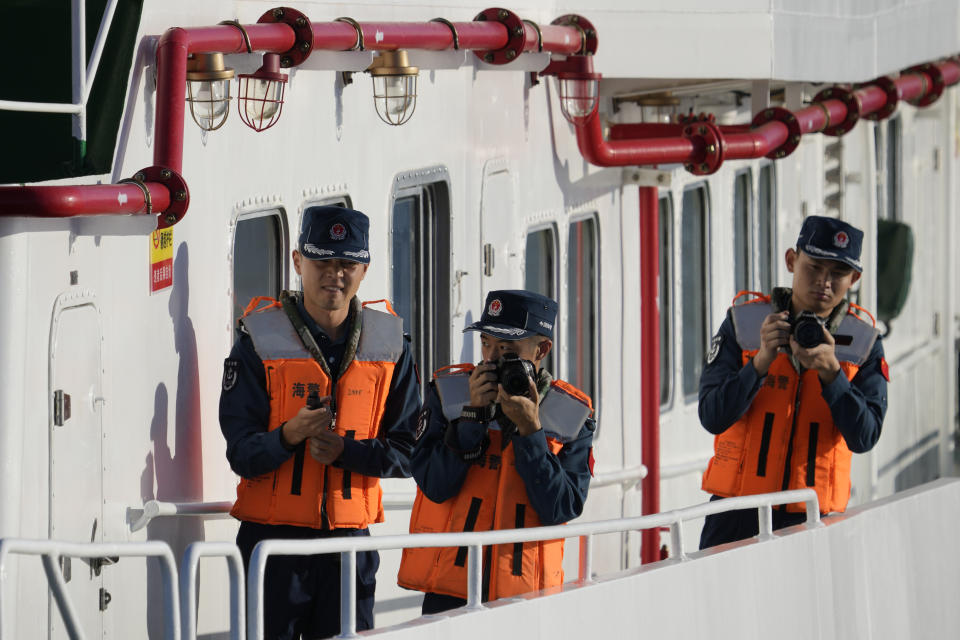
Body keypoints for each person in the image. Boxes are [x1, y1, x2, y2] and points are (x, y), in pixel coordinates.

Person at [219, 205, 421, 639]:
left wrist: (349, 454)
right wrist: (290, 435)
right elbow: (241, 453)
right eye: (322, 262)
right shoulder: (256, 344)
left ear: (363, 269)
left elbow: (410, 452)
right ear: (297, 262)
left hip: (348, 547)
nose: (335, 274)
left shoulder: (392, 347)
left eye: (347, 263)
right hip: (272, 546)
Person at [397, 290, 596, 614]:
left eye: (507, 349)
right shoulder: (448, 393)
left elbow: (560, 507)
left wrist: (530, 432)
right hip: (451, 593)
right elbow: (434, 485)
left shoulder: (572, 416)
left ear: (542, 349)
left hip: (524, 599)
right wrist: (472, 417)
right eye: (487, 343)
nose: (491, 359)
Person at [698, 215, 888, 549]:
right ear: (792, 261)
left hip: (814, 520)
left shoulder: (863, 344)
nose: (824, 283)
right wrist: (759, 364)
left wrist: (833, 375)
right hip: (736, 515)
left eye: (838, 274)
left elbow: (865, 436)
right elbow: (712, 416)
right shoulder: (743, 325)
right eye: (813, 267)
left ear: (854, 278)